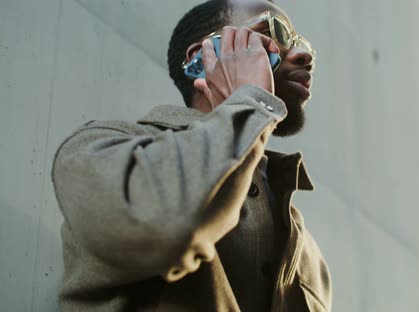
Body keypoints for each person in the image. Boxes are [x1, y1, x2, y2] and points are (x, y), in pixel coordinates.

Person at [51, 0, 331, 311]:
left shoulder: (308, 252)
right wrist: (251, 104)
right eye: (272, 31)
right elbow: (166, 225)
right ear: (203, 56)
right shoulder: (98, 149)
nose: (304, 55)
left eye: (301, 44)